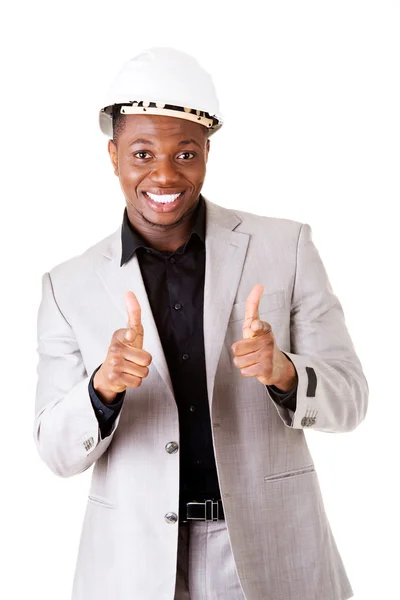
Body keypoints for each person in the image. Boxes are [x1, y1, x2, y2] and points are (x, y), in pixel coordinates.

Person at [33, 47, 368, 600]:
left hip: (273, 554)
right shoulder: (66, 285)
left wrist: (284, 372)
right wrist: (102, 388)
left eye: (185, 153)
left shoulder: (285, 248)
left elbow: (351, 400)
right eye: (142, 153)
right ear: (113, 155)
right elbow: (55, 449)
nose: (164, 174)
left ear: (207, 153)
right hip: (134, 567)